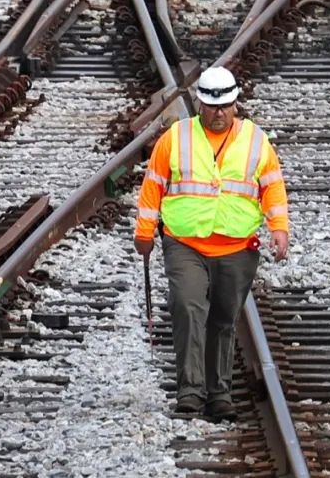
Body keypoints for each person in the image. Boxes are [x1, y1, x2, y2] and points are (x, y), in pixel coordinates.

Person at [133, 66, 290, 420]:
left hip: (236, 246)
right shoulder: (176, 138)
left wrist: (278, 227)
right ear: (200, 104)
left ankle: (219, 394)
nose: (218, 112)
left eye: (225, 105)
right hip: (184, 242)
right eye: (211, 105)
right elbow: (153, 186)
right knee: (188, 307)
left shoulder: (255, 140)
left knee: (222, 320)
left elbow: (272, 185)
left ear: (236, 103)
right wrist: (144, 233)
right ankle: (190, 390)